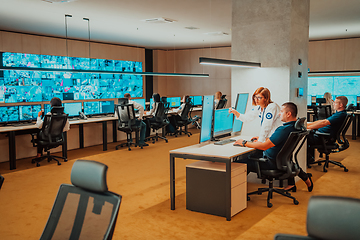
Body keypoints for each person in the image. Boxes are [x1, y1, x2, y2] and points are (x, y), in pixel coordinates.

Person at [234, 102, 313, 192]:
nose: (279, 113)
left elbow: (263, 147)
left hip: (270, 163)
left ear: (288, 114)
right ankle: (300, 181)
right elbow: (277, 140)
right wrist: (262, 138)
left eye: (281, 111)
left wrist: (244, 142)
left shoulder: (283, 130)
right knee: (252, 154)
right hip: (281, 161)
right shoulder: (294, 127)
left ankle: (237, 192)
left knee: (241, 162)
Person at [307, 96, 348, 164]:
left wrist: (308, 127)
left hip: (323, 138)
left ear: (341, 105)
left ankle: (309, 159)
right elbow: (323, 121)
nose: (333, 104)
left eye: (335, 102)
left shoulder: (340, 115)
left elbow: (324, 123)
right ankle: (310, 158)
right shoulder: (339, 114)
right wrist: (308, 125)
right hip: (323, 135)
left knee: (303, 137)